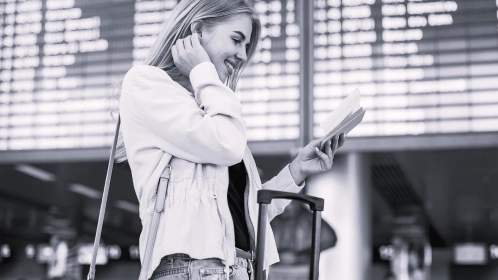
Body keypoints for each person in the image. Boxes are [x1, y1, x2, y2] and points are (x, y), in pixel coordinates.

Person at [114, 0, 345, 279]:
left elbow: (247, 213)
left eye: (246, 46)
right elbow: (227, 146)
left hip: (236, 269)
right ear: (197, 31)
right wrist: (202, 72)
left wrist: (297, 171)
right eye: (237, 40)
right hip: (192, 269)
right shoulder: (146, 83)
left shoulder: (209, 108)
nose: (242, 55)